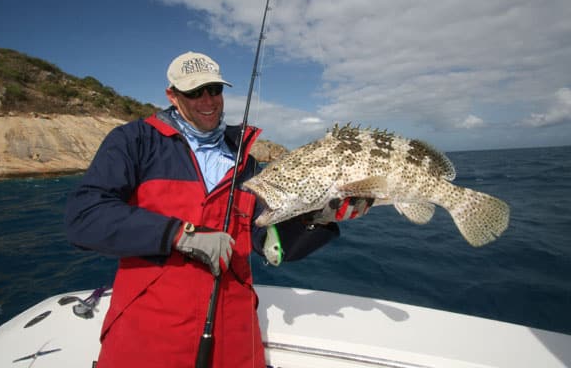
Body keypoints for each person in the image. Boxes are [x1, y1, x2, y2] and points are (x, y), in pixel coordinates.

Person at [65, 51, 370, 368]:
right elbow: (84, 216)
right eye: (194, 92)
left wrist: (320, 219)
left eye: (214, 89)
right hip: (147, 338)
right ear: (172, 94)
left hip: (236, 340)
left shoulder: (247, 162)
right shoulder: (135, 141)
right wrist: (180, 234)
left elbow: (271, 244)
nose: (207, 100)